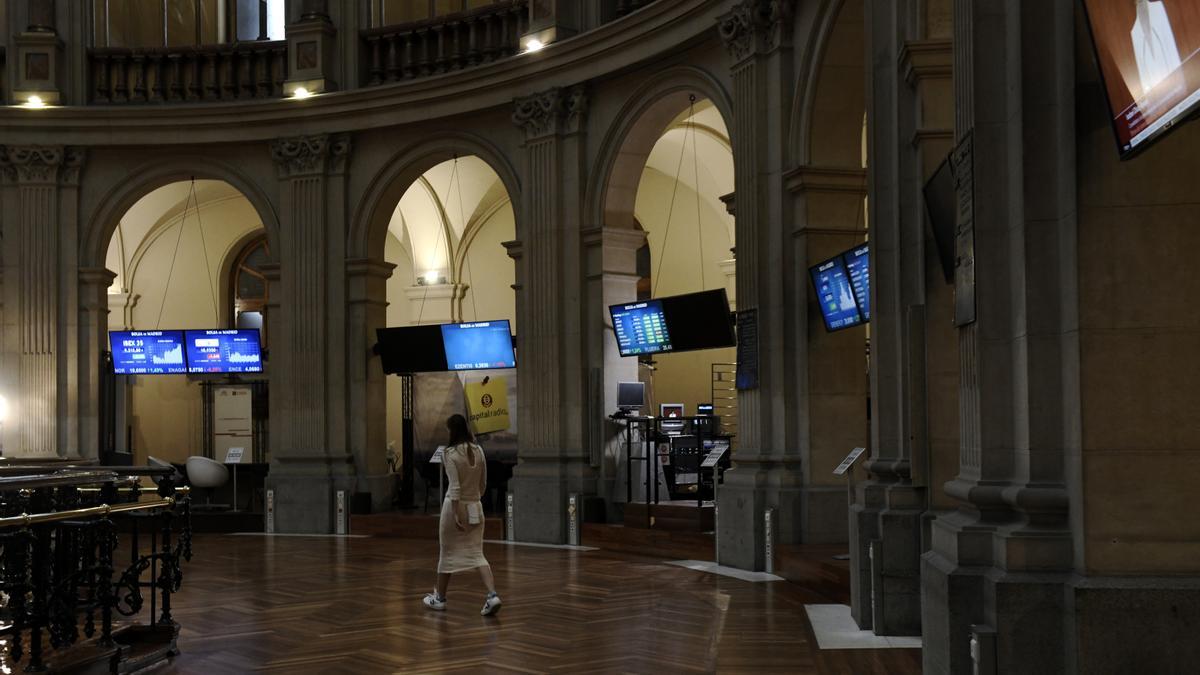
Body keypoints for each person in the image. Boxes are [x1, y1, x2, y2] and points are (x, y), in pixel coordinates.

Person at [423, 414, 502, 616]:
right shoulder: (478, 450)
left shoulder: (449, 453)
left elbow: (455, 487)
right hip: (475, 506)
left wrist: (457, 512)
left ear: (452, 431)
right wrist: (474, 499)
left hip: (454, 508)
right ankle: (492, 595)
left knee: (446, 553)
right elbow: (483, 484)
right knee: (477, 554)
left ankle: (439, 598)